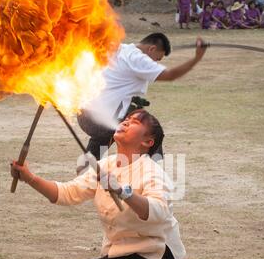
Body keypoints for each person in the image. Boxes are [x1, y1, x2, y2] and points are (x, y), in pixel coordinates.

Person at [10, 109, 202, 259]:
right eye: (127, 118)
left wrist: (124, 191)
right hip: (125, 252)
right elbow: (67, 193)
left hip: (157, 256)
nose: (127, 121)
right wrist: (29, 178)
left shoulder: (152, 172)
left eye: (135, 121)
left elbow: (158, 211)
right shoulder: (107, 164)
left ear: (147, 142)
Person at [76, 33, 207, 174]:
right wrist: (197, 58)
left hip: (85, 114)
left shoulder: (121, 49)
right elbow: (170, 75)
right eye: (157, 59)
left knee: (131, 113)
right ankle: (151, 171)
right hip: (100, 122)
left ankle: (84, 168)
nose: (154, 63)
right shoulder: (137, 58)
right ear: (151, 48)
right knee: (150, 128)